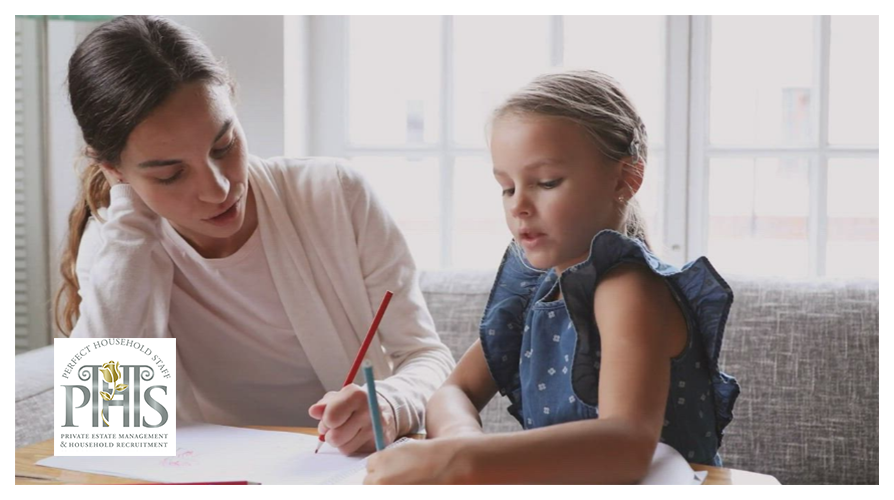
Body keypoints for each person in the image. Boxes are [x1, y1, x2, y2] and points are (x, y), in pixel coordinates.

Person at [54, 15, 455, 455]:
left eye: (224, 146)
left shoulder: (335, 195)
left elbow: (428, 356)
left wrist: (390, 404)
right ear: (113, 170)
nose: (218, 189)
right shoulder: (116, 248)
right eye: (170, 175)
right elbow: (106, 427)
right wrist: (129, 225)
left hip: (349, 470)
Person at [364, 70, 739, 484]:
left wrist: (465, 461)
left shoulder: (629, 290)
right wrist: (461, 440)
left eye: (546, 182)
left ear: (625, 179)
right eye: (506, 187)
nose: (519, 205)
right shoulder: (537, 292)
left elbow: (627, 447)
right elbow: (453, 392)